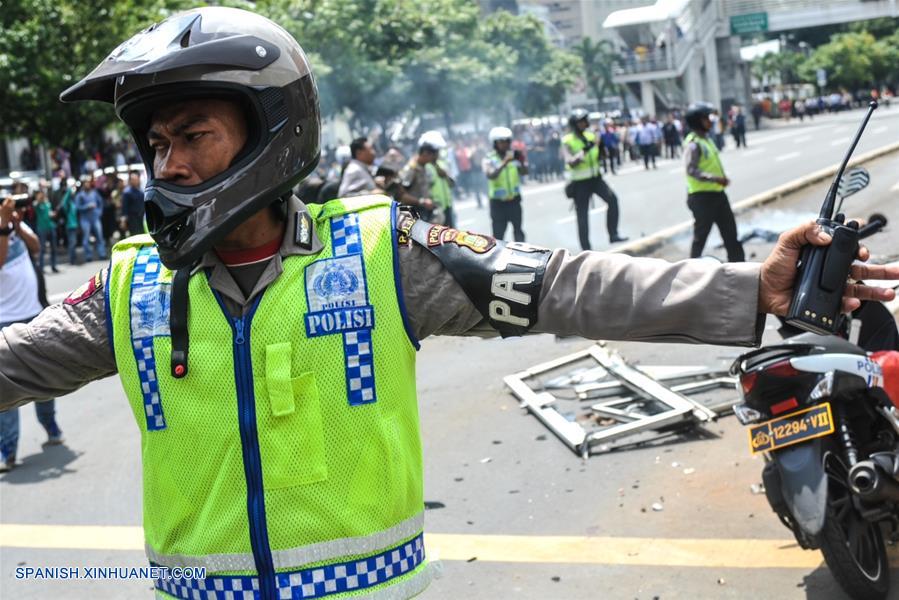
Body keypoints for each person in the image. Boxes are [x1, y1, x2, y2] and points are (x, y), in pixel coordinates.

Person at [2, 8, 897, 600]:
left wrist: (748, 286)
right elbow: (13, 363)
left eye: (193, 135)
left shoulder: (381, 252)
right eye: (157, 143)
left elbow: (564, 285)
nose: (169, 167)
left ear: (269, 135)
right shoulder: (130, 289)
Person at [0, 198, 64, 472]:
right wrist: (4, 225)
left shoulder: (14, 225)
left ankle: (50, 425)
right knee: (6, 386)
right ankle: (7, 450)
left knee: (42, 377)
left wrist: (15, 224)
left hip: (33, 313)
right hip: (5, 320)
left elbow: (36, 247)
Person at [683, 102, 744, 262]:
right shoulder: (694, 144)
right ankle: (690, 271)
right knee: (700, 238)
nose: (710, 121)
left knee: (731, 235)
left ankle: (740, 270)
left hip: (718, 195)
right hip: (702, 198)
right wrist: (715, 178)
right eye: (706, 118)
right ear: (697, 121)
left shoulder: (707, 140)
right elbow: (691, 170)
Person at [562, 109, 627, 250]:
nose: (585, 123)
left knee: (613, 200)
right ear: (575, 124)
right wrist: (585, 150)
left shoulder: (591, 136)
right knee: (582, 215)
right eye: (582, 121)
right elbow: (570, 161)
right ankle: (586, 250)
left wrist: (602, 148)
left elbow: (600, 156)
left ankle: (613, 234)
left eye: (586, 120)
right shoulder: (568, 140)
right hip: (580, 183)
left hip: (596, 179)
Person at [483, 126, 527, 242]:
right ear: (495, 143)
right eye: (502, 142)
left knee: (519, 232)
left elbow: (524, 172)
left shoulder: (513, 157)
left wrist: (522, 161)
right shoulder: (489, 158)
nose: (505, 144)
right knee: (498, 237)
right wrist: (504, 162)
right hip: (498, 204)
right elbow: (490, 175)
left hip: (514, 201)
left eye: (508, 141)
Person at [399, 133, 438, 220]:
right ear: (425, 154)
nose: (433, 159)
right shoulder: (411, 168)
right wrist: (422, 202)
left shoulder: (423, 167)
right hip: (414, 213)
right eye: (431, 155)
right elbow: (402, 195)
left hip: (424, 211)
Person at [74, 177, 106, 261]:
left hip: (95, 217)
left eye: (88, 183)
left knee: (99, 236)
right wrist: (86, 206)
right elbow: (77, 207)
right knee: (86, 237)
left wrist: (99, 212)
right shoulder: (80, 195)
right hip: (85, 219)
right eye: (85, 183)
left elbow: (100, 203)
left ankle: (102, 253)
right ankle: (88, 255)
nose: (87, 185)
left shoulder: (94, 193)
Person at [33, 189, 59, 273]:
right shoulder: (37, 204)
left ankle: (54, 266)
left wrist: (52, 214)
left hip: (51, 227)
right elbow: (35, 205)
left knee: (54, 248)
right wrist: (39, 199)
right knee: (42, 249)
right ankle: (41, 267)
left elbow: (49, 213)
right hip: (42, 228)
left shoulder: (48, 203)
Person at [121, 170, 145, 236]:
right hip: (132, 219)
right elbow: (124, 207)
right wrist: (123, 220)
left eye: (136, 179)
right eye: (133, 179)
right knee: (135, 235)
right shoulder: (127, 192)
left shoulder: (141, 190)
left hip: (141, 217)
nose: (135, 181)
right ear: (130, 180)